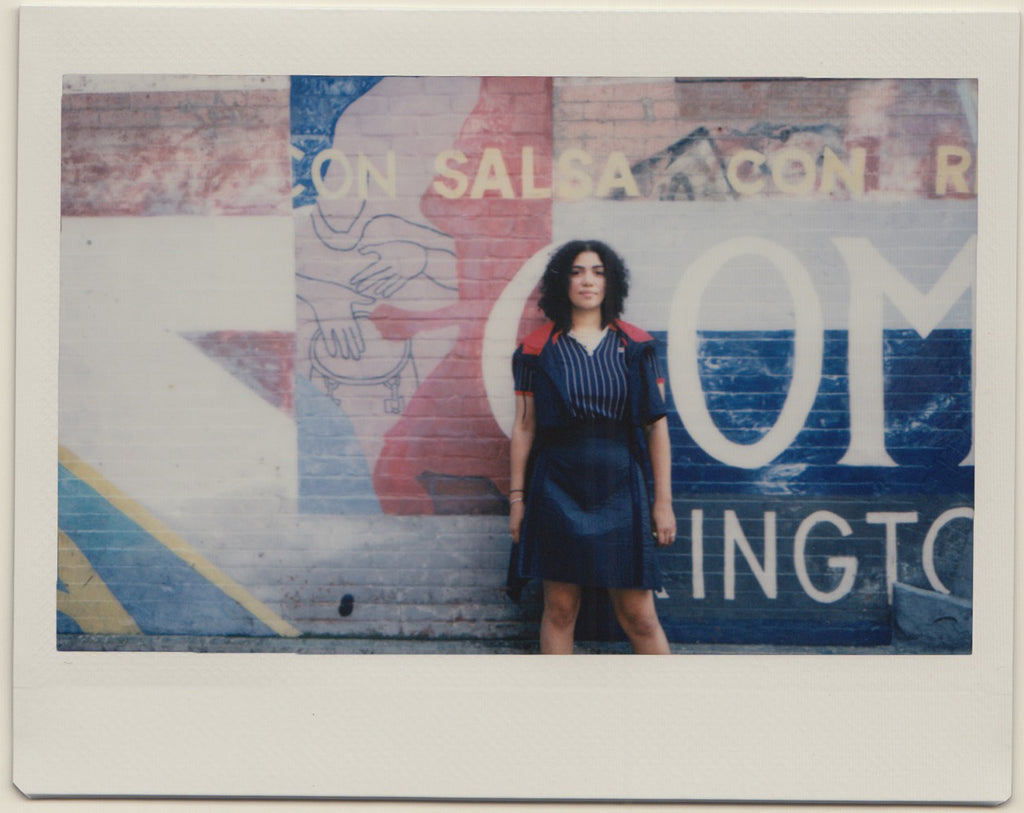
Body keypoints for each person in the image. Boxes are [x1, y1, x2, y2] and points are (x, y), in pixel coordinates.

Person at [508, 239, 677, 654]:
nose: (588, 281)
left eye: (598, 272)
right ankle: (559, 714)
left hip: (620, 483)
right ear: (561, 282)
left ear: (611, 282)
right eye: (578, 271)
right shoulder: (535, 349)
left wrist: (663, 501)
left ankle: (674, 712)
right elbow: (525, 427)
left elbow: (656, 428)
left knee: (639, 614)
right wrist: (517, 499)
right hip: (557, 486)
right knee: (561, 608)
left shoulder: (637, 346)